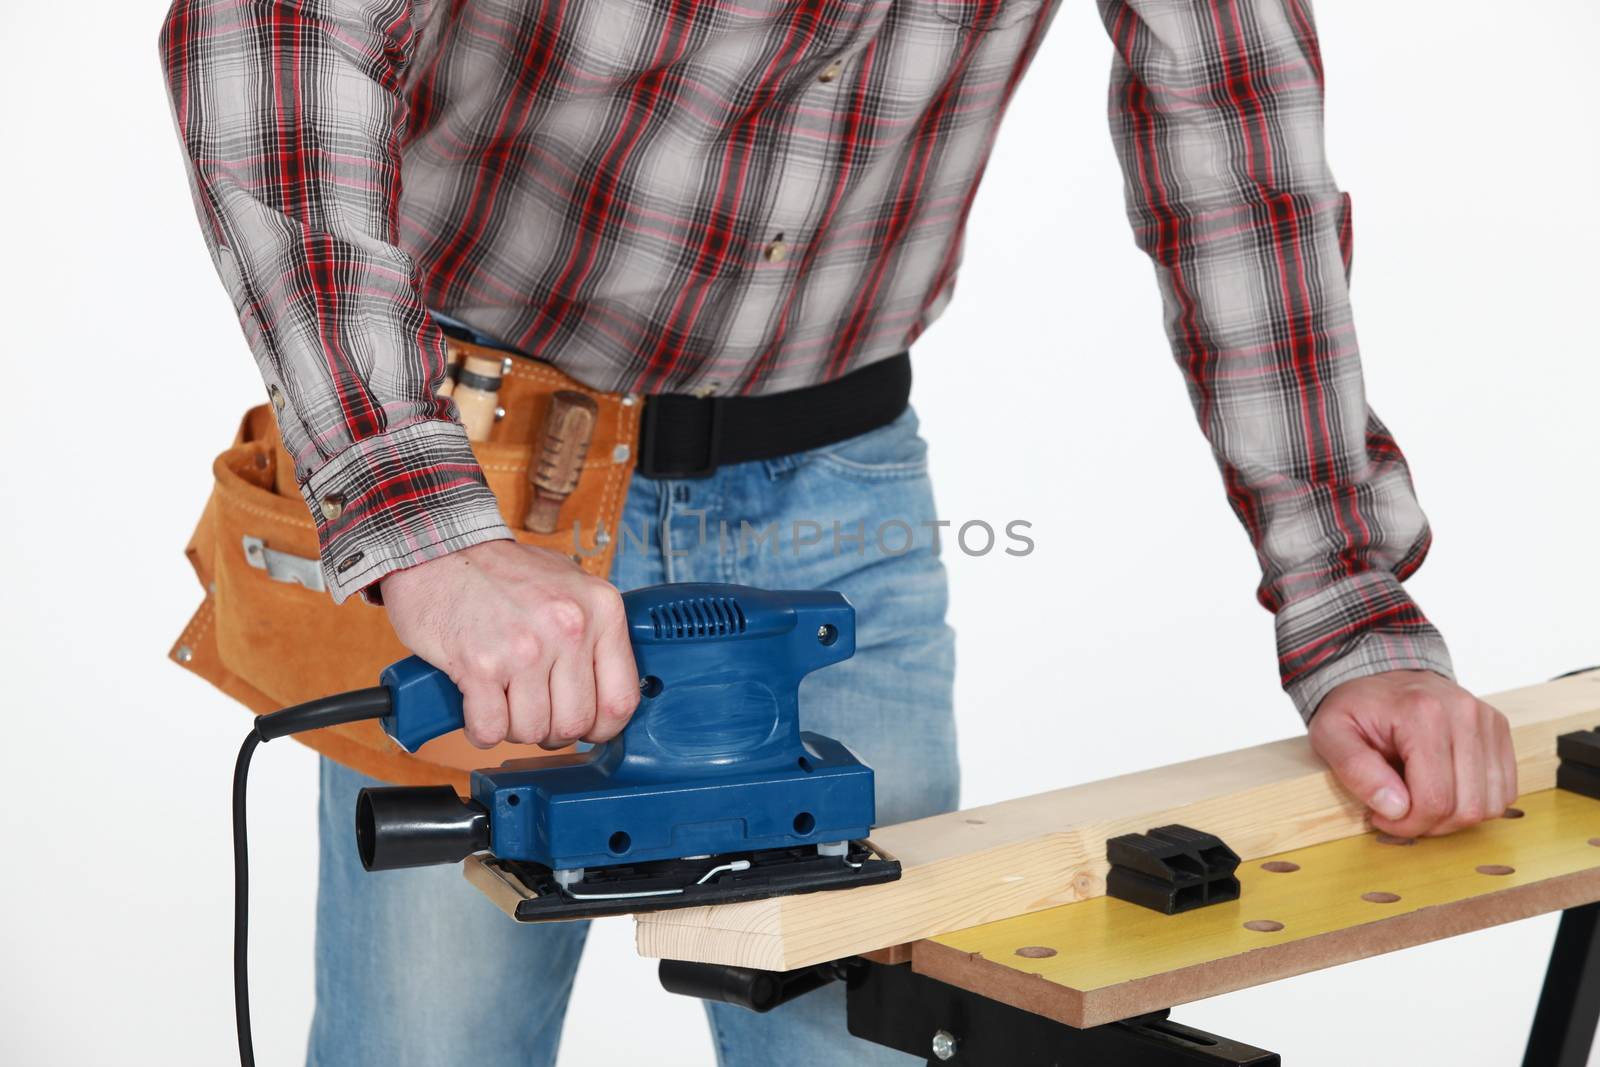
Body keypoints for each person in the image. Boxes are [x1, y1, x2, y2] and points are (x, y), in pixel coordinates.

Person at [158, 1, 1517, 1063]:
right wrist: (426, 524)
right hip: (489, 479)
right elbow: (276, 34)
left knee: (875, 1040)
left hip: (836, 494)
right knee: (424, 1048)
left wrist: (1349, 603)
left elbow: (1238, 143)